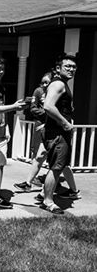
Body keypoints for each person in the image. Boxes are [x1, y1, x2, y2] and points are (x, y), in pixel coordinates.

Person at [37, 54, 81, 214]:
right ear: (58, 68)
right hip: (58, 133)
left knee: (57, 166)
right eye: (67, 66)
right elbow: (48, 106)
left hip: (56, 131)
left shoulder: (61, 84)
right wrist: (65, 123)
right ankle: (48, 201)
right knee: (56, 167)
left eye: (74, 67)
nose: (71, 69)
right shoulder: (58, 84)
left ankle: (44, 194)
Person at [0, 59, 27, 209]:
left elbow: (2, 108)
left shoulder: (1, 88)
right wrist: (14, 107)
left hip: (1, 131)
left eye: (3, 69)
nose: (1, 72)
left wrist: (7, 127)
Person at [14, 72, 52, 192]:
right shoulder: (38, 91)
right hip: (40, 124)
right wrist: (46, 113)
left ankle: (70, 189)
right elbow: (33, 108)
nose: (44, 85)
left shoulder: (56, 93)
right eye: (43, 82)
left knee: (58, 161)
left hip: (53, 127)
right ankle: (30, 182)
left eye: (47, 82)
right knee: (38, 153)